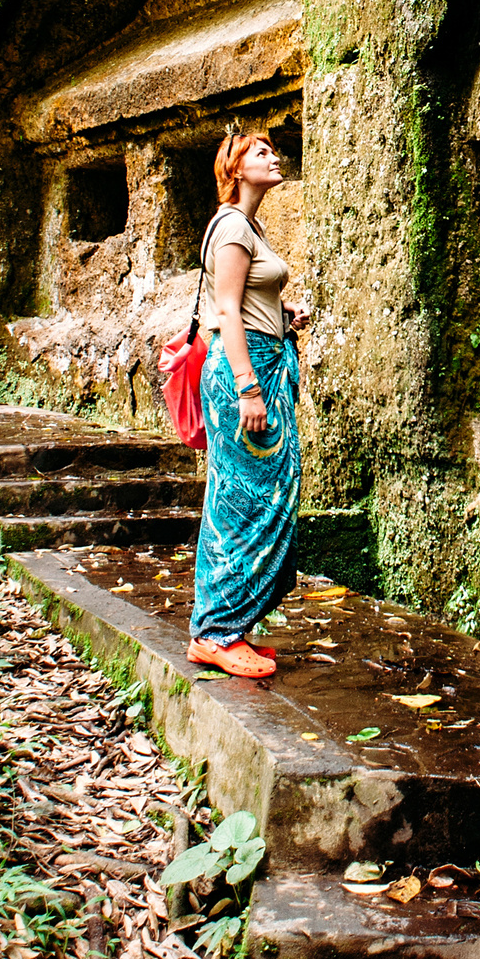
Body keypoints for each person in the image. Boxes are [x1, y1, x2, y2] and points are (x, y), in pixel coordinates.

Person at [187, 131, 310, 679]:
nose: (274, 156)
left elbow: (249, 306)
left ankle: (228, 626)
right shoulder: (233, 226)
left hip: (263, 358)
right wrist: (248, 387)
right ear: (235, 169)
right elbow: (228, 312)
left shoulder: (250, 227)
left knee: (267, 495)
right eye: (261, 152)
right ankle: (215, 633)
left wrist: (284, 320)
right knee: (238, 503)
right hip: (245, 373)